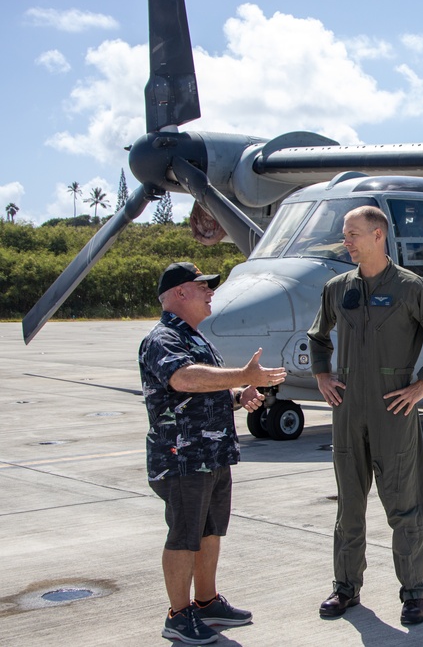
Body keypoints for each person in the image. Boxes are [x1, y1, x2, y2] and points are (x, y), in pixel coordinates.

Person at [307, 207, 423, 626]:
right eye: (345, 235)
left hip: (393, 407)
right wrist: (322, 375)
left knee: (405, 506)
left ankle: (414, 593)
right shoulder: (337, 289)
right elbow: (318, 335)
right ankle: (345, 589)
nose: (348, 242)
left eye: (354, 234)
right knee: (350, 506)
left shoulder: (412, 289)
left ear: (379, 235)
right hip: (347, 408)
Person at [140, 262, 287, 645]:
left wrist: (240, 396)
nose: (211, 293)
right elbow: (183, 379)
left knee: (209, 531)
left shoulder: (195, 338)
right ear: (179, 294)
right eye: (202, 287)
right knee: (184, 535)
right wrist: (243, 376)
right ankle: (178, 614)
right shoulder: (162, 339)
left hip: (213, 456)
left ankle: (205, 603)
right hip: (182, 458)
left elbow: (203, 389)